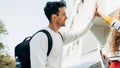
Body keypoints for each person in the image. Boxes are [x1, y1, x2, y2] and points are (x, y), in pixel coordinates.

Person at [30, 1, 98, 68]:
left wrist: (92, 18)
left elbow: (77, 34)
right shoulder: (40, 37)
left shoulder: (60, 36)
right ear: (54, 17)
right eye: (63, 15)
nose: (66, 17)